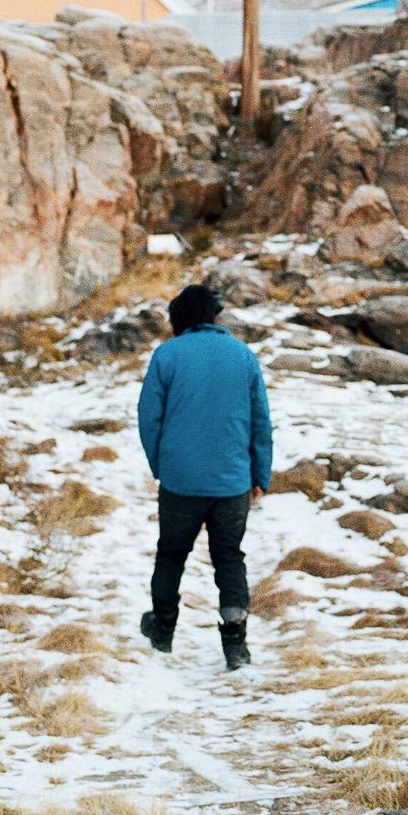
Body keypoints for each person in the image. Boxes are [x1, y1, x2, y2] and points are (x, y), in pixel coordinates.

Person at [135, 282, 273, 670]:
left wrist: (162, 465)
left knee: (171, 553)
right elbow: (260, 421)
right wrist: (260, 475)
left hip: (180, 480)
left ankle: (162, 632)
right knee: (229, 558)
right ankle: (235, 644)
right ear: (213, 315)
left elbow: (149, 418)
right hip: (232, 481)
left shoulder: (167, 355)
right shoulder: (242, 355)